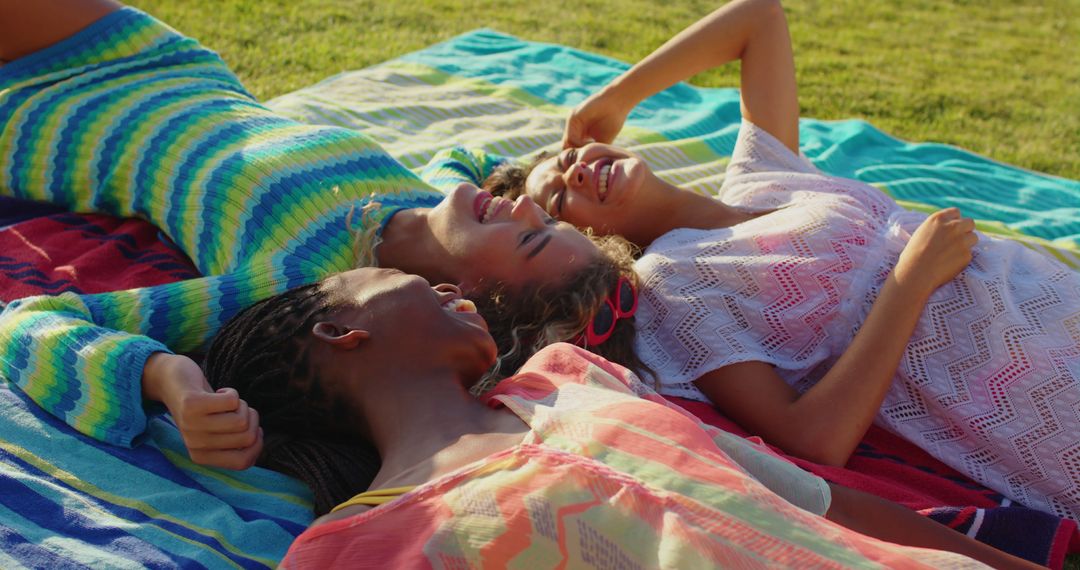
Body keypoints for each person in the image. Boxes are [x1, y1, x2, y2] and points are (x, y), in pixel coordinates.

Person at [483, 0, 1080, 521]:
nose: (579, 170)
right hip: (1021, 385)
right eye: (562, 198)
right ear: (582, 241)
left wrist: (616, 96)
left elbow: (759, 16)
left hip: (1046, 292)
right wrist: (910, 278)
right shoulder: (673, 286)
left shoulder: (762, 176)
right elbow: (813, 442)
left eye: (568, 160)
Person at [0, 0, 633, 471]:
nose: (524, 207)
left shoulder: (307, 285)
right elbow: (469, 155)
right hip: (168, 60)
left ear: (463, 295)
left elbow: (31, 322)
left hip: (65, 125)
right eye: (548, 218)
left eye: (532, 239)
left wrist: (166, 377)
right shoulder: (431, 195)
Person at [204, 266, 1044, 569]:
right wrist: (175, 384)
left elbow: (819, 501)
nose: (454, 289)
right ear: (340, 330)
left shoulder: (569, 376)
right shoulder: (355, 549)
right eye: (394, 276)